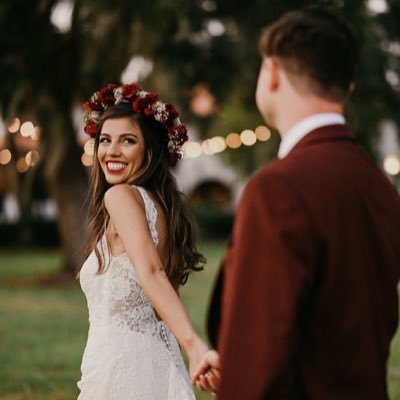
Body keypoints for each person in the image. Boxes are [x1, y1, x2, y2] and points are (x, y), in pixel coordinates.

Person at [193, 6, 400, 399]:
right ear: (348, 85)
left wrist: (244, 364)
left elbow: (259, 370)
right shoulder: (378, 186)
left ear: (271, 73)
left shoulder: (278, 189)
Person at [76, 82, 210, 399]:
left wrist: (195, 345)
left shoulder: (121, 197)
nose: (111, 151)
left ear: (149, 150)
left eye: (128, 141)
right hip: (159, 360)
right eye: (105, 140)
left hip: (123, 367)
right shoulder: (162, 207)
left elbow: (152, 273)